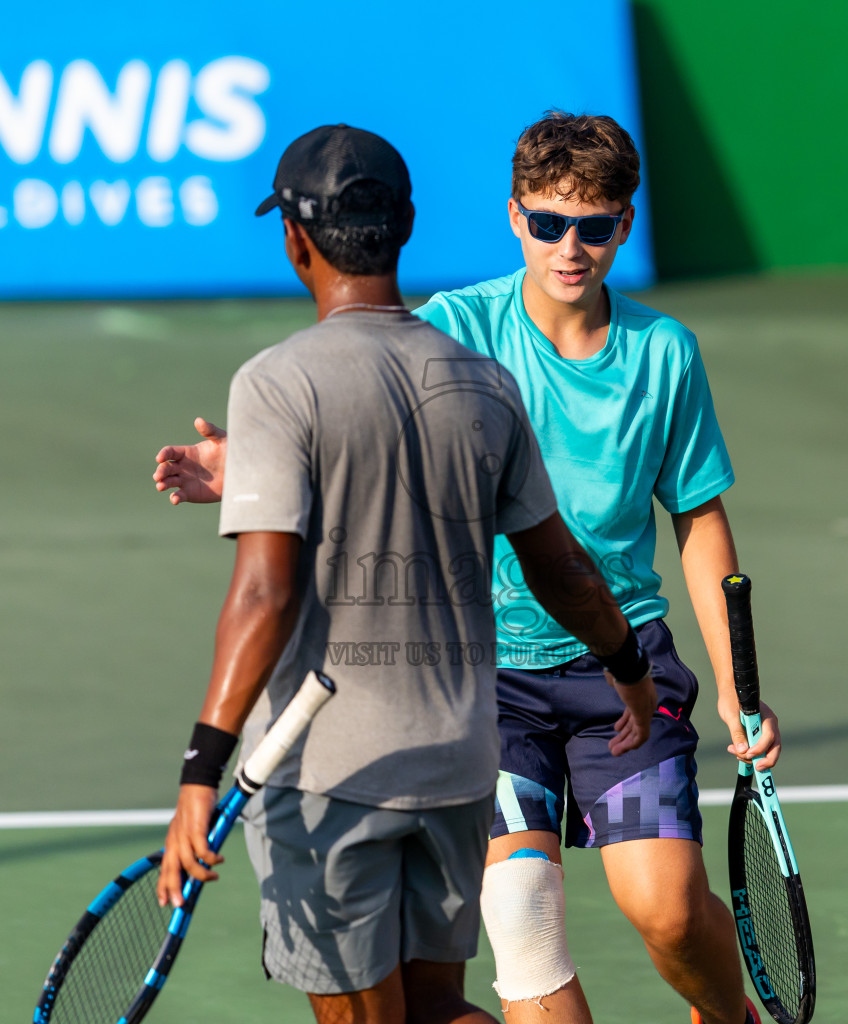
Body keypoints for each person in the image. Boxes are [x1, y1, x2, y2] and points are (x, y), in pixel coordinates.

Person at [153, 123, 660, 1024]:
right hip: (461, 767)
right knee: (437, 1010)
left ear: (295, 240)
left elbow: (265, 592)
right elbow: (564, 569)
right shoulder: (484, 384)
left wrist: (202, 767)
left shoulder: (274, 384)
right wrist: (629, 670)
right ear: (408, 225)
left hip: (330, 776)